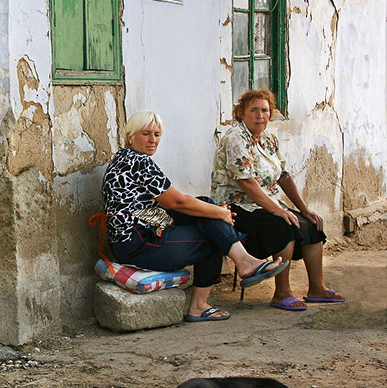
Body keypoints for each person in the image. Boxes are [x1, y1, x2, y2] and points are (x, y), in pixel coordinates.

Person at [102, 110, 288, 322]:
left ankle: (244, 261)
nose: (153, 140)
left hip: (142, 232)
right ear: (130, 136)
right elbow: (177, 202)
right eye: (146, 134)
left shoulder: (124, 158)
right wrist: (220, 213)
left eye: (157, 134)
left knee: (204, 204)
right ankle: (201, 304)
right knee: (212, 237)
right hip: (139, 244)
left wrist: (213, 210)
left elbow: (173, 203)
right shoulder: (139, 162)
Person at [211, 89, 345, 311]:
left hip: (264, 204)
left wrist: (303, 208)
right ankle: (282, 293)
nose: (260, 115)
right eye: (253, 110)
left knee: (310, 224)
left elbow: (282, 176)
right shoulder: (235, 137)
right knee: (284, 224)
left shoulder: (268, 138)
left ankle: (316, 288)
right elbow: (246, 183)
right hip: (237, 208)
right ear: (241, 112)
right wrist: (277, 210)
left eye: (264, 110)